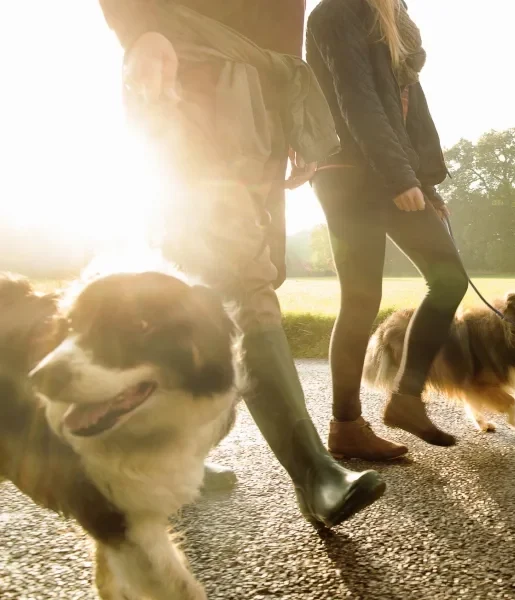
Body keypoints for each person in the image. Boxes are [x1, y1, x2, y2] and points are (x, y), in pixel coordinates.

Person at [97, 0, 386, 528]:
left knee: (199, 283)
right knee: (237, 274)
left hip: (262, 90)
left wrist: (289, 112)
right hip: (190, 64)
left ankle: (169, 456)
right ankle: (312, 471)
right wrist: (137, 27)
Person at [303, 0, 468, 460]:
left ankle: (406, 397)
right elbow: (356, 97)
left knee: (450, 277)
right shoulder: (336, 13)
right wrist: (400, 176)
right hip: (348, 170)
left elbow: (409, 109)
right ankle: (347, 426)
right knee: (360, 297)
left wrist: (426, 183)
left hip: (391, 165)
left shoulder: (397, 20)